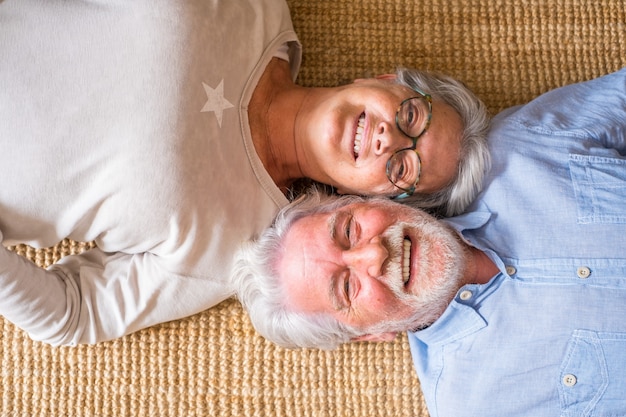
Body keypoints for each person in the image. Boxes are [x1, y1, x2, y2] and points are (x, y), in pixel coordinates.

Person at [0, 0, 489, 346]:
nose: (389, 139)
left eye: (403, 166)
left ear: (380, 199)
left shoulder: (239, 252)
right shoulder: (258, 11)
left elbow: (73, 316)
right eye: (411, 118)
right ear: (383, 81)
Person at [234, 68, 626, 417]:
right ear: (368, 335)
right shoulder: (474, 405)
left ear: (369, 199)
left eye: (349, 230)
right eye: (348, 286)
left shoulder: (520, 146)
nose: (375, 253)